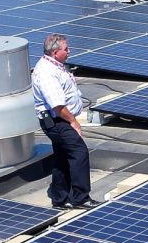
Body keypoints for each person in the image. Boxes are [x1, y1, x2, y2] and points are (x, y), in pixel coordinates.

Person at [32, 33, 99, 210]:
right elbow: (57, 106)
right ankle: (80, 198)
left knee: (62, 156)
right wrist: (74, 122)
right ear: (55, 52)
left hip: (61, 119)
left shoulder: (56, 66)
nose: (69, 52)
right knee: (79, 152)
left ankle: (60, 198)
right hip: (57, 121)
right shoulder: (47, 73)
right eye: (66, 49)